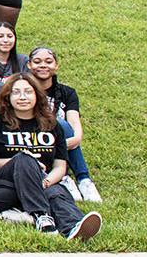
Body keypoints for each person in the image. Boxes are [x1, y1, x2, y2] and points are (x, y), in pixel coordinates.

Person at [0, 74, 103, 240]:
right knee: (25, 158)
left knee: (56, 193)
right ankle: (41, 215)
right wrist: (23, 161)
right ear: (7, 97)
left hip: (43, 180)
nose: (22, 97)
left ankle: (73, 227)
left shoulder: (52, 125)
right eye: (16, 92)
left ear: (37, 95)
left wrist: (47, 181)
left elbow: (60, 166)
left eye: (28, 92)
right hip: (6, 182)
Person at [28, 47, 101, 202]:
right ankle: (65, 177)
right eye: (37, 61)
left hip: (61, 142)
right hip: (32, 141)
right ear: (29, 65)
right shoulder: (24, 91)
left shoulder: (67, 92)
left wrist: (76, 137)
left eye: (48, 61)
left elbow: (74, 123)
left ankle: (84, 180)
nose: (43, 65)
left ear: (56, 65)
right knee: (59, 125)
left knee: (62, 125)